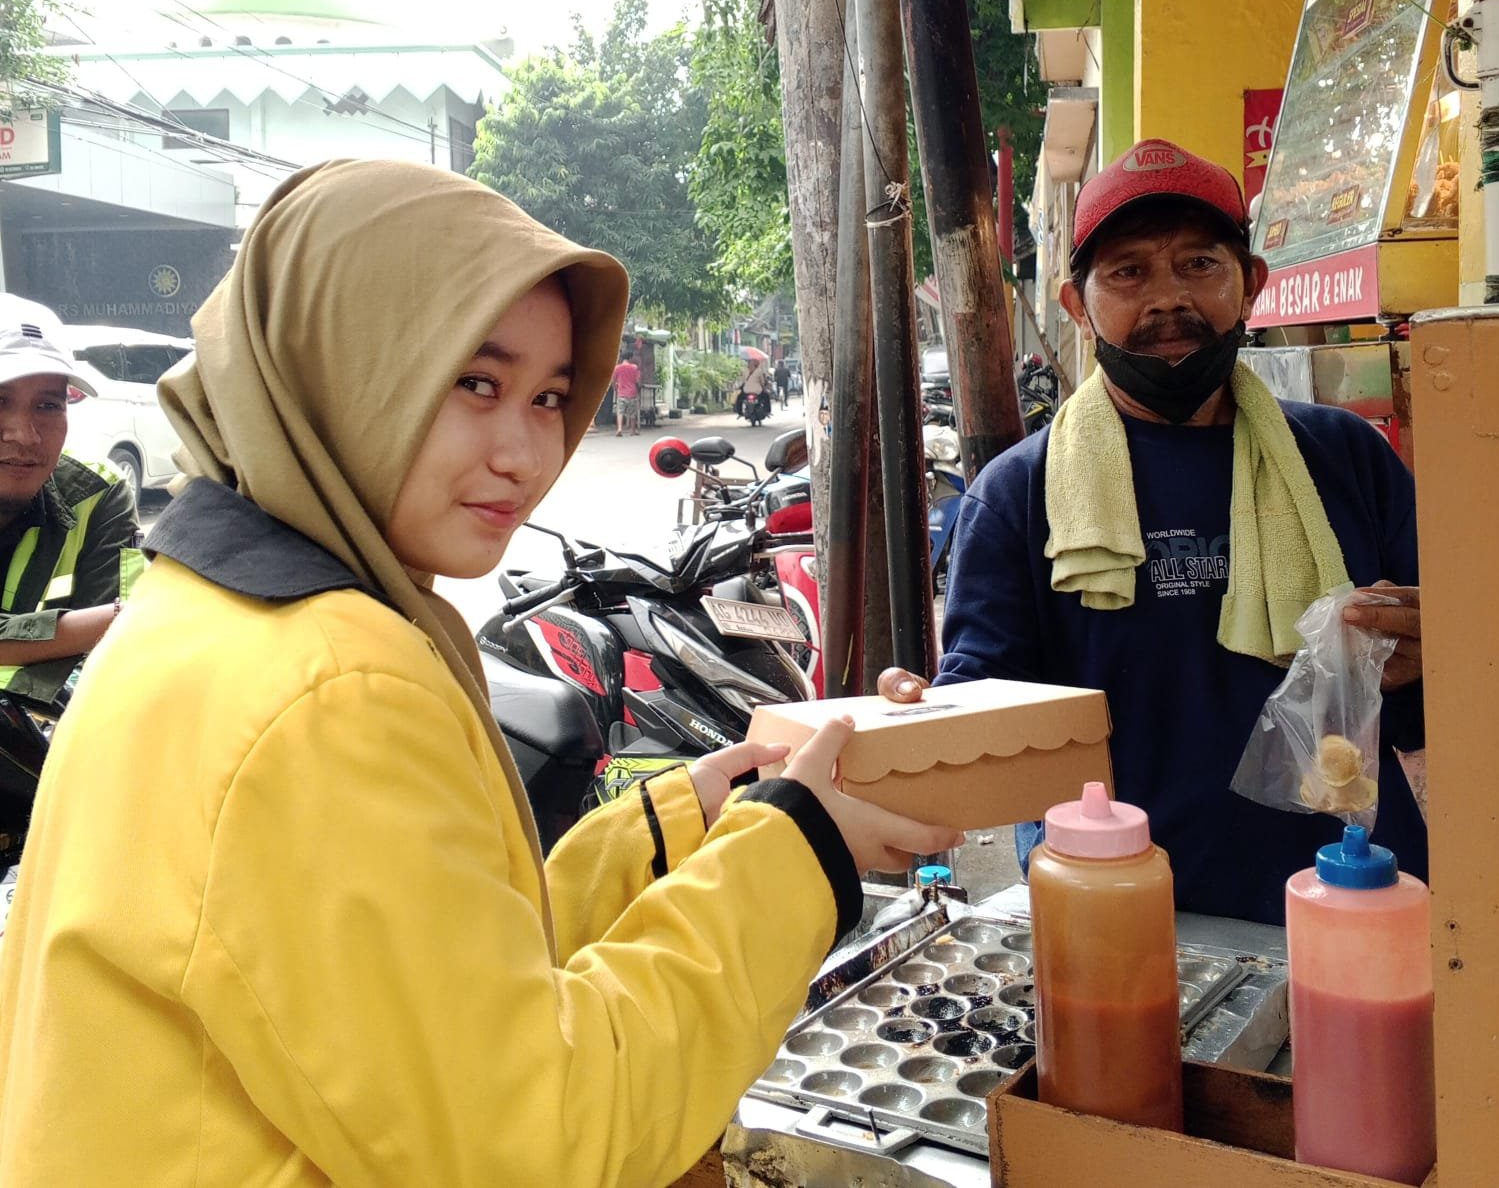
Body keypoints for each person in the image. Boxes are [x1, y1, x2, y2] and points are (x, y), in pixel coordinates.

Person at [0, 159, 961, 1186]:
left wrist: (681, 825)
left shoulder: (210, 606)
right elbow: (535, 1141)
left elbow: (420, 981)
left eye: (550, 395)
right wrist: (799, 847)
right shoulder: (323, 686)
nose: (524, 451)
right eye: (474, 382)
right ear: (335, 360)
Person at [883, 139, 1425, 927]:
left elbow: (1437, 696)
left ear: (1251, 286)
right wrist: (923, 723)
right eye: (1129, 271)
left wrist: (1424, 659)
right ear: (1078, 305)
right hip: (1112, 914)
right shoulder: (1018, 496)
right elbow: (989, 716)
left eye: (1199, 264)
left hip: (1352, 898)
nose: (1167, 298)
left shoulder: (1346, 459)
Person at [0, 295, 141, 704]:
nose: (25, 435)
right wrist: (91, 625)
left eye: (48, 405)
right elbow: (127, 617)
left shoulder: (98, 493)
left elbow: (129, 646)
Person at [611, 352, 641, 437]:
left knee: (620, 412)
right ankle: (632, 430)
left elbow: (613, 381)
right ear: (630, 358)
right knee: (632, 413)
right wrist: (639, 389)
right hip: (632, 393)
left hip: (621, 393)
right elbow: (637, 381)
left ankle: (619, 429)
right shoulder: (634, 367)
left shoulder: (617, 368)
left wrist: (616, 389)